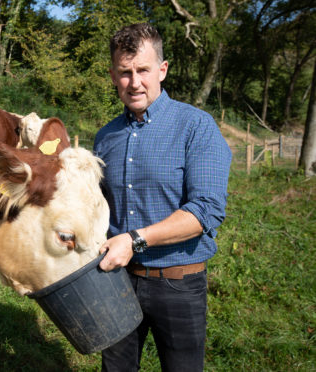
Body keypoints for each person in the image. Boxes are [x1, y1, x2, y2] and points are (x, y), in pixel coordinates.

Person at [94, 23, 232, 372]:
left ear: (162, 69)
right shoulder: (105, 137)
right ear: (113, 76)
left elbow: (205, 212)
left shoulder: (196, 126)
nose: (135, 82)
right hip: (117, 281)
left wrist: (135, 240)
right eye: (125, 73)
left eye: (143, 70)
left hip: (178, 283)